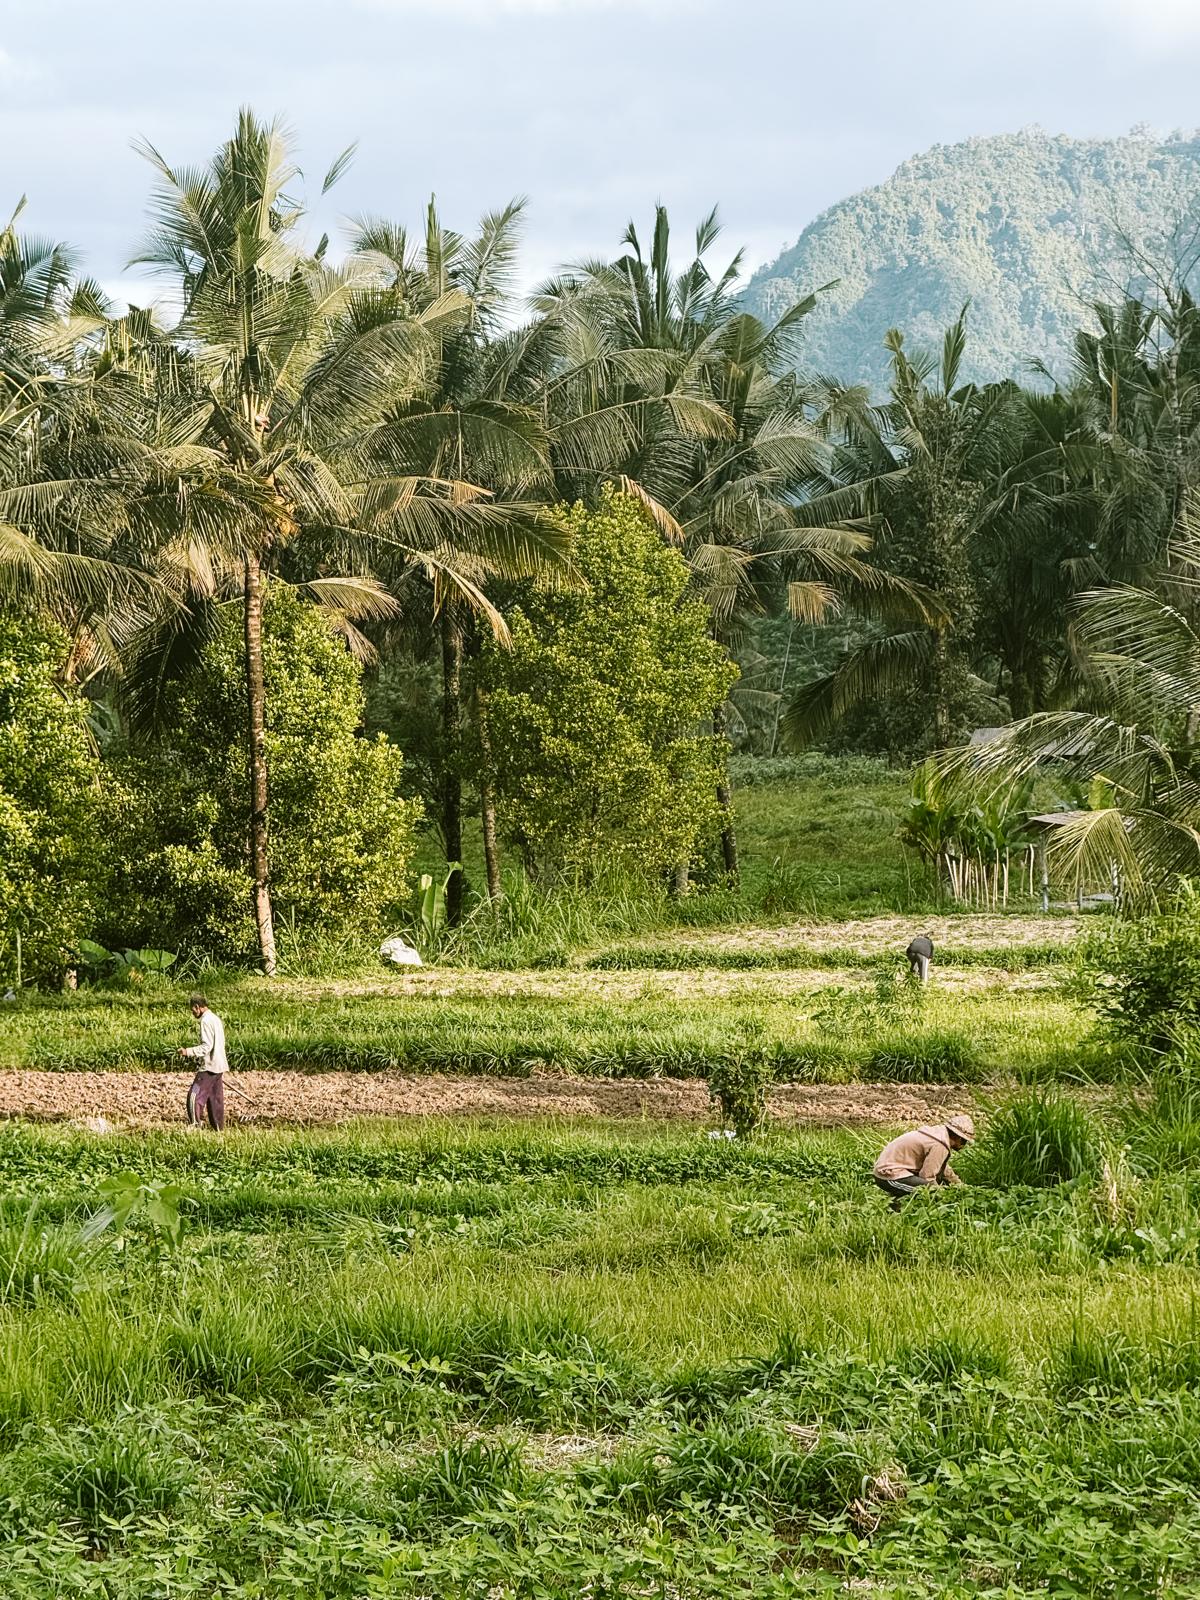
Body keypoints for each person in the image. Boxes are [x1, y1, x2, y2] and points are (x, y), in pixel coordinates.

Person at [873, 1113, 974, 1208]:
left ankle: (896, 1204)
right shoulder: (939, 1145)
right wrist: (944, 1196)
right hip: (889, 1176)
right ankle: (900, 1207)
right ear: (958, 1138)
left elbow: (942, 1167)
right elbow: (927, 1176)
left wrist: (959, 1185)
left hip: (893, 1170)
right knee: (930, 1191)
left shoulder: (937, 1136)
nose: (962, 1146)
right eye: (964, 1141)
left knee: (935, 1184)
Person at [179, 992, 227, 1131]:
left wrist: (188, 1051)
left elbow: (207, 1046)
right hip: (219, 1064)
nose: (193, 1013)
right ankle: (218, 1128)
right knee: (215, 1099)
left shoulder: (205, 1021)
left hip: (209, 1066)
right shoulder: (216, 1019)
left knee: (194, 1095)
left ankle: (195, 1124)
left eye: (192, 1010)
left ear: (197, 1007)